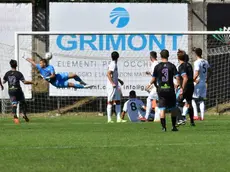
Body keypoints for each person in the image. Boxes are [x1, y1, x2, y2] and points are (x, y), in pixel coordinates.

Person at [146, 49, 181, 132]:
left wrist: (152, 85)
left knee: (162, 109)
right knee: (173, 108)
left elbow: (154, 79)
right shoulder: (172, 66)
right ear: (168, 56)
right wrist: (178, 85)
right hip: (170, 89)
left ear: (160, 56)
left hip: (161, 89)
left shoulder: (157, 66)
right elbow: (177, 77)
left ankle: (163, 127)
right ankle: (173, 126)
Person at [23, 55, 93, 89]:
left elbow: (53, 75)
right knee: (71, 84)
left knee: (74, 75)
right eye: (40, 63)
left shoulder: (50, 67)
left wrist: (46, 77)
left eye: (41, 63)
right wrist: (25, 57)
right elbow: (32, 62)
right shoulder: (39, 66)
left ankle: (81, 82)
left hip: (58, 76)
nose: (39, 64)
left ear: (44, 63)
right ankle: (84, 87)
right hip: (56, 82)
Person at [3, 60, 35, 124]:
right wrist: (32, 82)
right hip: (18, 90)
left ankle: (15, 116)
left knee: (14, 104)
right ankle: (23, 114)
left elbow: (3, 81)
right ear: (16, 65)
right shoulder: (18, 73)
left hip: (11, 91)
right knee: (23, 103)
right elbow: (25, 82)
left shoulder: (7, 73)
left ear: (10, 65)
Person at [192, 48, 212, 121]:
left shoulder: (197, 62)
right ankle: (202, 117)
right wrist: (207, 79)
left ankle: (196, 115)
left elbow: (196, 73)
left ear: (196, 54)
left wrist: (192, 80)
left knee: (193, 99)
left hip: (198, 83)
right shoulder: (205, 62)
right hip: (204, 83)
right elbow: (210, 71)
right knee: (201, 100)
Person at [177, 50, 195, 126]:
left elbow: (185, 78)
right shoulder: (189, 65)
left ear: (178, 57)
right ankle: (192, 121)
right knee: (189, 103)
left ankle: (180, 119)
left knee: (177, 102)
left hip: (186, 86)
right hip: (191, 85)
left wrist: (182, 88)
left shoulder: (181, 66)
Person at [106, 51, 126, 123]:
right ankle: (109, 119)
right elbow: (108, 74)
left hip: (115, 85)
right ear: (118, 57)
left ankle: (118, 118)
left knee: (118, 101)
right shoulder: (113, 64)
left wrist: (119, 80)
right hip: (111, 86)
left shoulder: (114, 64)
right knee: (110, 101)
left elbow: (113, 75)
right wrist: (112, 83)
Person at [144, 51, 160, 122]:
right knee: (158, 101)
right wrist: (150, 73)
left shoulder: (154, 64)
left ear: (151, 57)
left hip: (157, 85)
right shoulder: (158, 63)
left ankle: (146, 117)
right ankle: (157, 117)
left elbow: (155, 76)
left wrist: (150, 84)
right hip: (159, 84)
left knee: (149, 99)